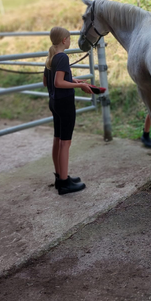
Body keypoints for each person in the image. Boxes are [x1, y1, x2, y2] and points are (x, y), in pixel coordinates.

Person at [43, 27, 93, 195]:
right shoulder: (63, 57)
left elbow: (47, 81)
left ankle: (60, 177)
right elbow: (58, 82)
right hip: (64, 103)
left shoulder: (51, 57)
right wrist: (79, 85)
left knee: (58, 140)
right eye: (69, 38)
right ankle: (64, 184)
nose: (70, 41)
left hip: (54, 102)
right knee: (65, 142)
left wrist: (72, 79)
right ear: (64, 40)